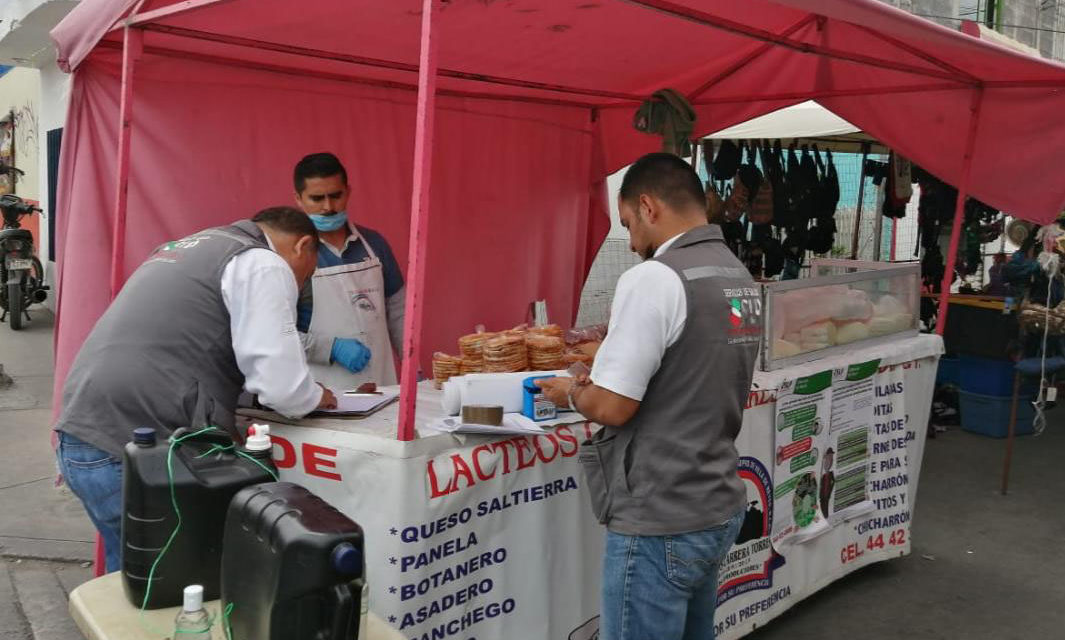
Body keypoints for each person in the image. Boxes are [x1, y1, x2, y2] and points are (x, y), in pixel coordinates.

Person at [538, 153, 763, 640]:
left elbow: (613, 406)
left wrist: (569, 392)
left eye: (627, 224)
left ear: (647, 206)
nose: (632, 242)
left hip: (662, 515)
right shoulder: (736, 275)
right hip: (714, 501)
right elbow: (690, 366)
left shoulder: (655, 278)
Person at [54, 207, 337, 572]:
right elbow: (283, 389)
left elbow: (188, 352)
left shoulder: (191, 247)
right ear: (302, 246)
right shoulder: (263, 263)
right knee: (167, 586)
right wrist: (314, 395)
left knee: (131, 581)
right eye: (307, 276)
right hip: (133, 450)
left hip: (84, 437)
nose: (300, 287)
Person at [292, 152, 406, 389]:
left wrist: (412, 364)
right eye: (317, 198)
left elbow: (399, 312)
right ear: (299, 199)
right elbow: (277, 334)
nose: (328, 207)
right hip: (322, 390)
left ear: (348, 192)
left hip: (382, 383)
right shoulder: (293, 256)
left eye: (336, 195)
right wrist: (331, 348)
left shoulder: (374, 244)